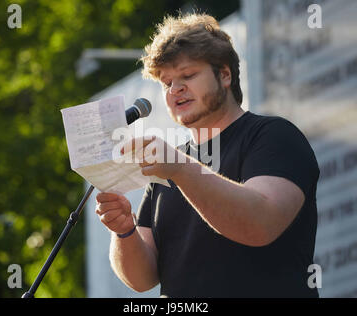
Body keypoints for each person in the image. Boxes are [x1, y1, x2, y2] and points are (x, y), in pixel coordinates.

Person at [95, 13, 320, 298]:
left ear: (224, 75)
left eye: (188, 75)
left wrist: (179, 169)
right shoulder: (169, 166)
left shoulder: (273, 135)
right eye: (166, 83)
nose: (176, 90)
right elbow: (142, 279)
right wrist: (124, 231)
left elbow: (261, 223)